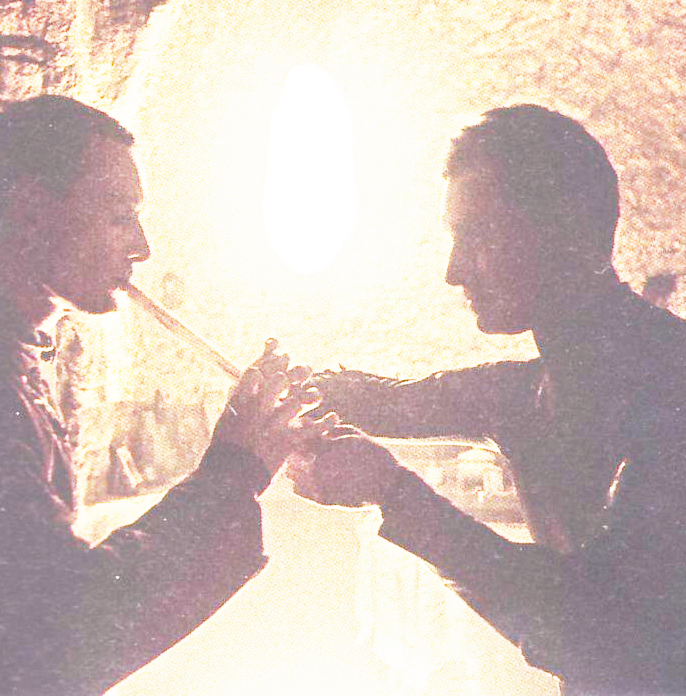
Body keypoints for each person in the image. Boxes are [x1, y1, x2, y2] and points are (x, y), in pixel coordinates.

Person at [0, 95, 330, 696]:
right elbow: (54, 640)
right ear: (31, 212)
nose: (141, 247)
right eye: (120, 217)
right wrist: (235, 471)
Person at [292, 104, 686, 695]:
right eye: (456, 237)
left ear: (573, 234)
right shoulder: (526, 392)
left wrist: (393, 494)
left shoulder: (671, 389)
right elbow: (392, 401)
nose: (453, 271)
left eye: (480, 235)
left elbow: (600, 631)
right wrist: (299, 389)